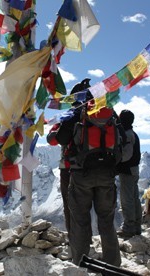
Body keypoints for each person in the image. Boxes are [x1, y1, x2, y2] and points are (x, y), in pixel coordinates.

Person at [57, 79, 122, 267]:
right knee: (107, 221)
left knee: (80, 221)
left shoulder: (77, 112)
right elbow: (122, 139)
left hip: (81, 175)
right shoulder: (110, 113)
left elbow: (61, 138)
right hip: (107, 174)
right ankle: (113, 265)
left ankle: (81, 264)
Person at [46, 78, 91, 234]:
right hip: (97, 168)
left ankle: (75, 241)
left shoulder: (69, 116)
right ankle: (92, 240)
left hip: (70, 167)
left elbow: (54, 139)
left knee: (70, 205)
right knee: (91, 207)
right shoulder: (101, 115)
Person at [116, 110, 142, 239]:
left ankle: (129, 227)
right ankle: (137, 226)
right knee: (134, 199)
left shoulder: (127, 135)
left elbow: (126, 155)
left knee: (127, 200)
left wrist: (116, 162)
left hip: (127, 171)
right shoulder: (133, 134)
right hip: (133, 170)